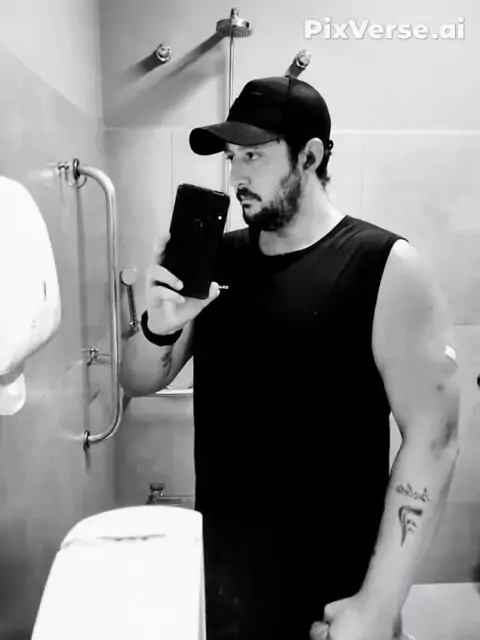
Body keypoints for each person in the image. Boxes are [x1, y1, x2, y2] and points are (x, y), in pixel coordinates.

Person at [120, 76, 460, 640]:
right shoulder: (215, 262)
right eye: (232, 158)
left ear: (310, 156)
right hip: (228, 580)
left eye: (253, 155)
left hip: (335, 596)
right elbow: (136, 381)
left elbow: (434, 440)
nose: (237, 175)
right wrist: (158, 325)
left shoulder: (383, 266)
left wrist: (378, 606)